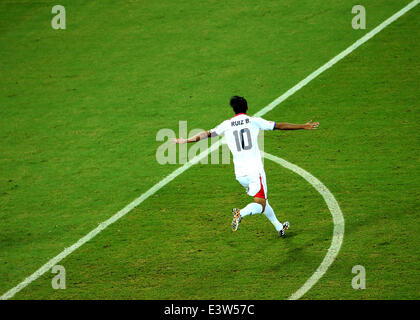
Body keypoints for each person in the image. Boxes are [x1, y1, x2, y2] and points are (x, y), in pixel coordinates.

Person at [173, 96, 319, 236]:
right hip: (255, 171)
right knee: (260, 204)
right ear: (247, 107)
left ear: (234, 110)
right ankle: (240, 213)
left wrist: (186, 140)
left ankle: (279, 227)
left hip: (240, 174)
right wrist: (303, 126)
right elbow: (279, 126)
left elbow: (207, 134)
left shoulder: (227, 124)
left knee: (263, 201)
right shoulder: (253, 121)